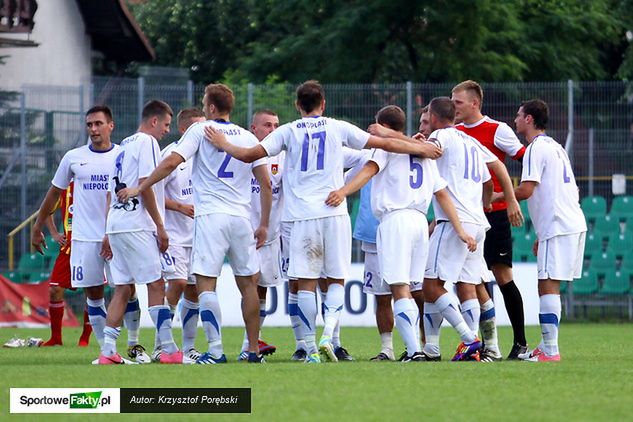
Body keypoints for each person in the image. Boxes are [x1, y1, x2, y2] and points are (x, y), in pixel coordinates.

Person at [204, 80, 442, 363]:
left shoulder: (287, 131)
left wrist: (223, 143)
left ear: (297, 105)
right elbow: (384, 144)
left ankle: (308, 348)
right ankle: (328, 333)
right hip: (334, 211)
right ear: (324, 103)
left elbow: (248, 155)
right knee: (336, 281)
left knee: (304, 284)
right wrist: (420, 147)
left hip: (302, 216)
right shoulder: (337, 127)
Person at [117, 84, 272, 364]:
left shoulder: (200, 131)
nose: (202, 107)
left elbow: (172, 162)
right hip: (241, 218)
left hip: (211, 216)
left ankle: (215, 351)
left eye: (204, 103)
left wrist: (142, 187)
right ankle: (252, 350)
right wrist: (263, 224)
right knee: (249, 286)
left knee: (205, 286)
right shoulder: (249, 136)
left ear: (211, 108)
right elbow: (266, 184)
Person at [326, 105, 476, 362]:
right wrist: (460, 229)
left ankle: (416, 351)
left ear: (381, 124)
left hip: (396, 220)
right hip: (420, 221)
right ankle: (467, 337)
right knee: (415, 289)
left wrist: (343, 191)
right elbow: (442, 194)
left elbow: (367, 172)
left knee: (399, 289)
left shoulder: (385, 149)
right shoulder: (424, 155)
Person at [31, 105, 128, 359]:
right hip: (84, 238)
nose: (93, 129)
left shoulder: (124, 155)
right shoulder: (73, 157)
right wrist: (38, 225)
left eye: (98, 124)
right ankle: (107, 352)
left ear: (111, 126)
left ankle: (135, 345)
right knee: (94, 295)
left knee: (126, 290)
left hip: (117, 235)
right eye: (89, 125)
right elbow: (54, 193)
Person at [100, 100, 182, 365]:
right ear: (154, 121)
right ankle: (169, 350)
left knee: (123, 288)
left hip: (117, 222)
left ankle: (108, 351)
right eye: (166, 125)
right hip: (136, 223)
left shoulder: (123, 145)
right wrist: (160, 225)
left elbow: (113, 191)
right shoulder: (147, 143)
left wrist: (107, 231)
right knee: (156, 283)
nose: (167, 131)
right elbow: (145, 185)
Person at [504, 99, 586, 361]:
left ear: (529, 119)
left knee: (547, 284)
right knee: (550, 284)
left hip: (558, 224)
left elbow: (526, 189)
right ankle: (546, 345)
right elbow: (573, 190)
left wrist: (496, 197)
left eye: (518, 115)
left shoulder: (536, 148)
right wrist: (541, 233)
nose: (515, 120)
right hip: (569, 221)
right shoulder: (556, 147)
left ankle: (550, 349)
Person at [452, 80, 528, 359]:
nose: (454, 107)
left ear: (475, 103)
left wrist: (510, 199)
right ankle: (486, 345)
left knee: (502, 276)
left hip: (493, 217)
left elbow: (524, 157)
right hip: (469, 219)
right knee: (471, 280)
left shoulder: (497, 130)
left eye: (458, 102)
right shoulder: (454, 132)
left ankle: (520, 343)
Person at [420, 97, 498, 362]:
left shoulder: (442, 135)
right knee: (467, 285)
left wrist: (412, 142)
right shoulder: (472, 142)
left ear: (433, 117)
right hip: (477, 222)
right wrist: (485, 203)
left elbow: (429, 151)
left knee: (430, 286)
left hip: (454, 222)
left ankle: (469, 340)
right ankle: (432, 349)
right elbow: (489, 181)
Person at [152, 107, 206, 363]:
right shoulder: (170, 156)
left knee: (194, 289)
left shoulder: (208, 154)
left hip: (199, 236)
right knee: (177, 284)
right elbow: (153, 192)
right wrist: (181, 207)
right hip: (173, 235)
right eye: (197, 126)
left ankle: (189, 346)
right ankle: (161, 345)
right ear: (184, 130)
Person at [237, 109, 281, 361]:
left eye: (276, 125)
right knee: (249, 285)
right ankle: (246, 345)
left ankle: (252, 340)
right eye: (267, 125)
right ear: (254, 128)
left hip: (271, 235)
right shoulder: (244, 152)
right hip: (245, 231)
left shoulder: (282, 156)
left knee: (262, 288)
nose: (272, 130)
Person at [40, 183, 93, 347]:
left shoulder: (95, 183)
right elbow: (47, 209)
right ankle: (56, 338)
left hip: (91, 244)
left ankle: (85, 337)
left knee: (92, 292)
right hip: (69, 247)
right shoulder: (65, 187)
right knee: (55, 289)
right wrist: (54, 233)